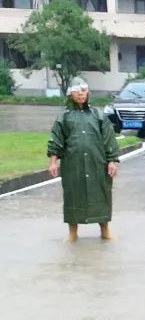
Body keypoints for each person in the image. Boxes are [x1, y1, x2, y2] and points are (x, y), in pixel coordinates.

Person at [46, 77, 119, 242]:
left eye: (84, 91)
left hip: (97, 163)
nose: (81, 94)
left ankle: (105, 229)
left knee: (101, 194)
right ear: (70, 94)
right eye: (77, 91)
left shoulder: (98, 115)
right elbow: (55, 140)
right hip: (73, 164)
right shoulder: (63, 117)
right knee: (73, 194)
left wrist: (112, 160)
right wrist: (52, 162)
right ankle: (73, 231)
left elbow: (109, 139)